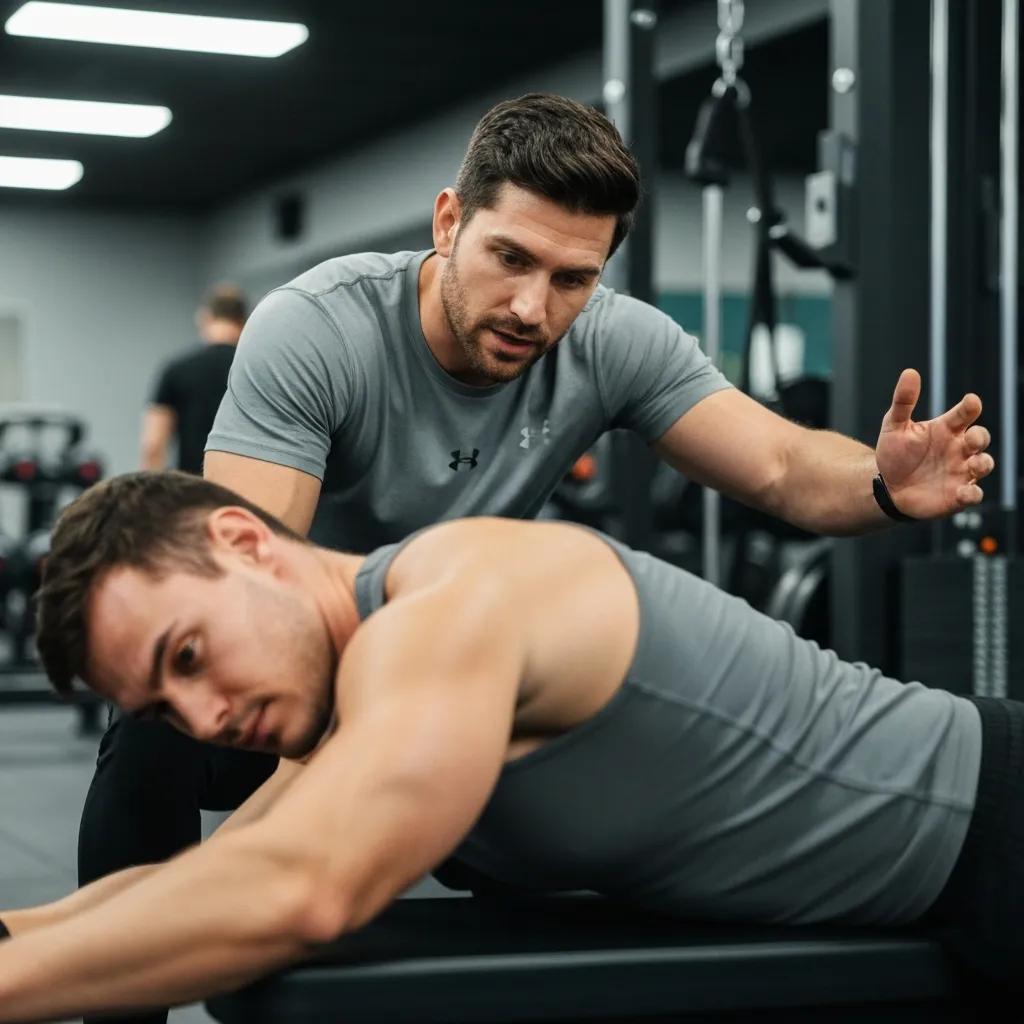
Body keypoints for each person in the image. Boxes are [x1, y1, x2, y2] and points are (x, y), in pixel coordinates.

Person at [78, 93, 994, 1024]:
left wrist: (880, 482)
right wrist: (261, 861)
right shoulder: (318, 330)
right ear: (449, 222)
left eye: (572, 278)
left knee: (536, 771)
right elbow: (249, 591)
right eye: (509, 258)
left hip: (450, 662)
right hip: (301, 656)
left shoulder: (612, 340)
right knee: (153, 725)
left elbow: (782, 463)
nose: (532, 306)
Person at [0, 469, 1013, 1021]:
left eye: (189, 655)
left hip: (999, 836)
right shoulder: (355, 681)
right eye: (166, 708)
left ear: (245, 541)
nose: (206, 718)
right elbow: (218, 870)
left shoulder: (453, 602)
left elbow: (303, 886)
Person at [139, 285, 248, 475]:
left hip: (193, 489)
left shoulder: (176, 369)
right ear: (243, 320)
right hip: (243, 488)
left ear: (204, 318)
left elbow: (153, 446)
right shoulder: (254, 369)